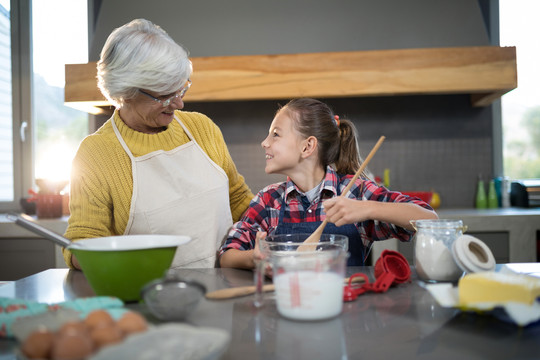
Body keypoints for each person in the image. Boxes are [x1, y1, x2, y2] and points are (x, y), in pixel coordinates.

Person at [63, 19, 253, 269]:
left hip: (227, 289)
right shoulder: (96, 154)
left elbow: (238, 199)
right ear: (126, 91)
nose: (178, 103)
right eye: (164, 95)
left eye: (181, 90)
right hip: (150, 296)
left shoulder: (202, 128)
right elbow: (84, 240)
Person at [219, 98, 438, 268]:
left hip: (347, 313)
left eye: (275, 135)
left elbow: (429, 219)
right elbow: (228, 256)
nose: (264, 143)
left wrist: (366, 209)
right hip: (288, 308)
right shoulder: (269, 200)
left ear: (307, 147)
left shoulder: (355, 192)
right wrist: (255, 258)